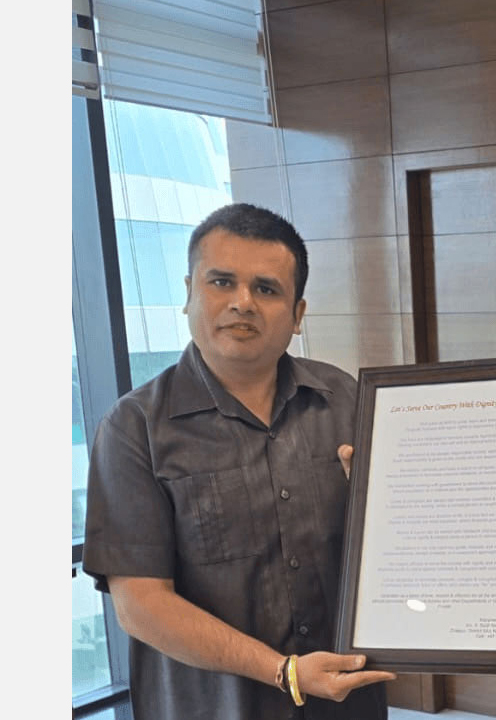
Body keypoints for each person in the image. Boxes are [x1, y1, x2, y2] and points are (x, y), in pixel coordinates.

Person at [82, 203, 395, 719]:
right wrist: (284, 672)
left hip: (346, 706)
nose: (242, 302)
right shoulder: (134, 427)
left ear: (297, 314)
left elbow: (395, 546)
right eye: (222, 282)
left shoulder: (345, 400)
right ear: (189, 293)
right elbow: (141, 604)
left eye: (266, 289)